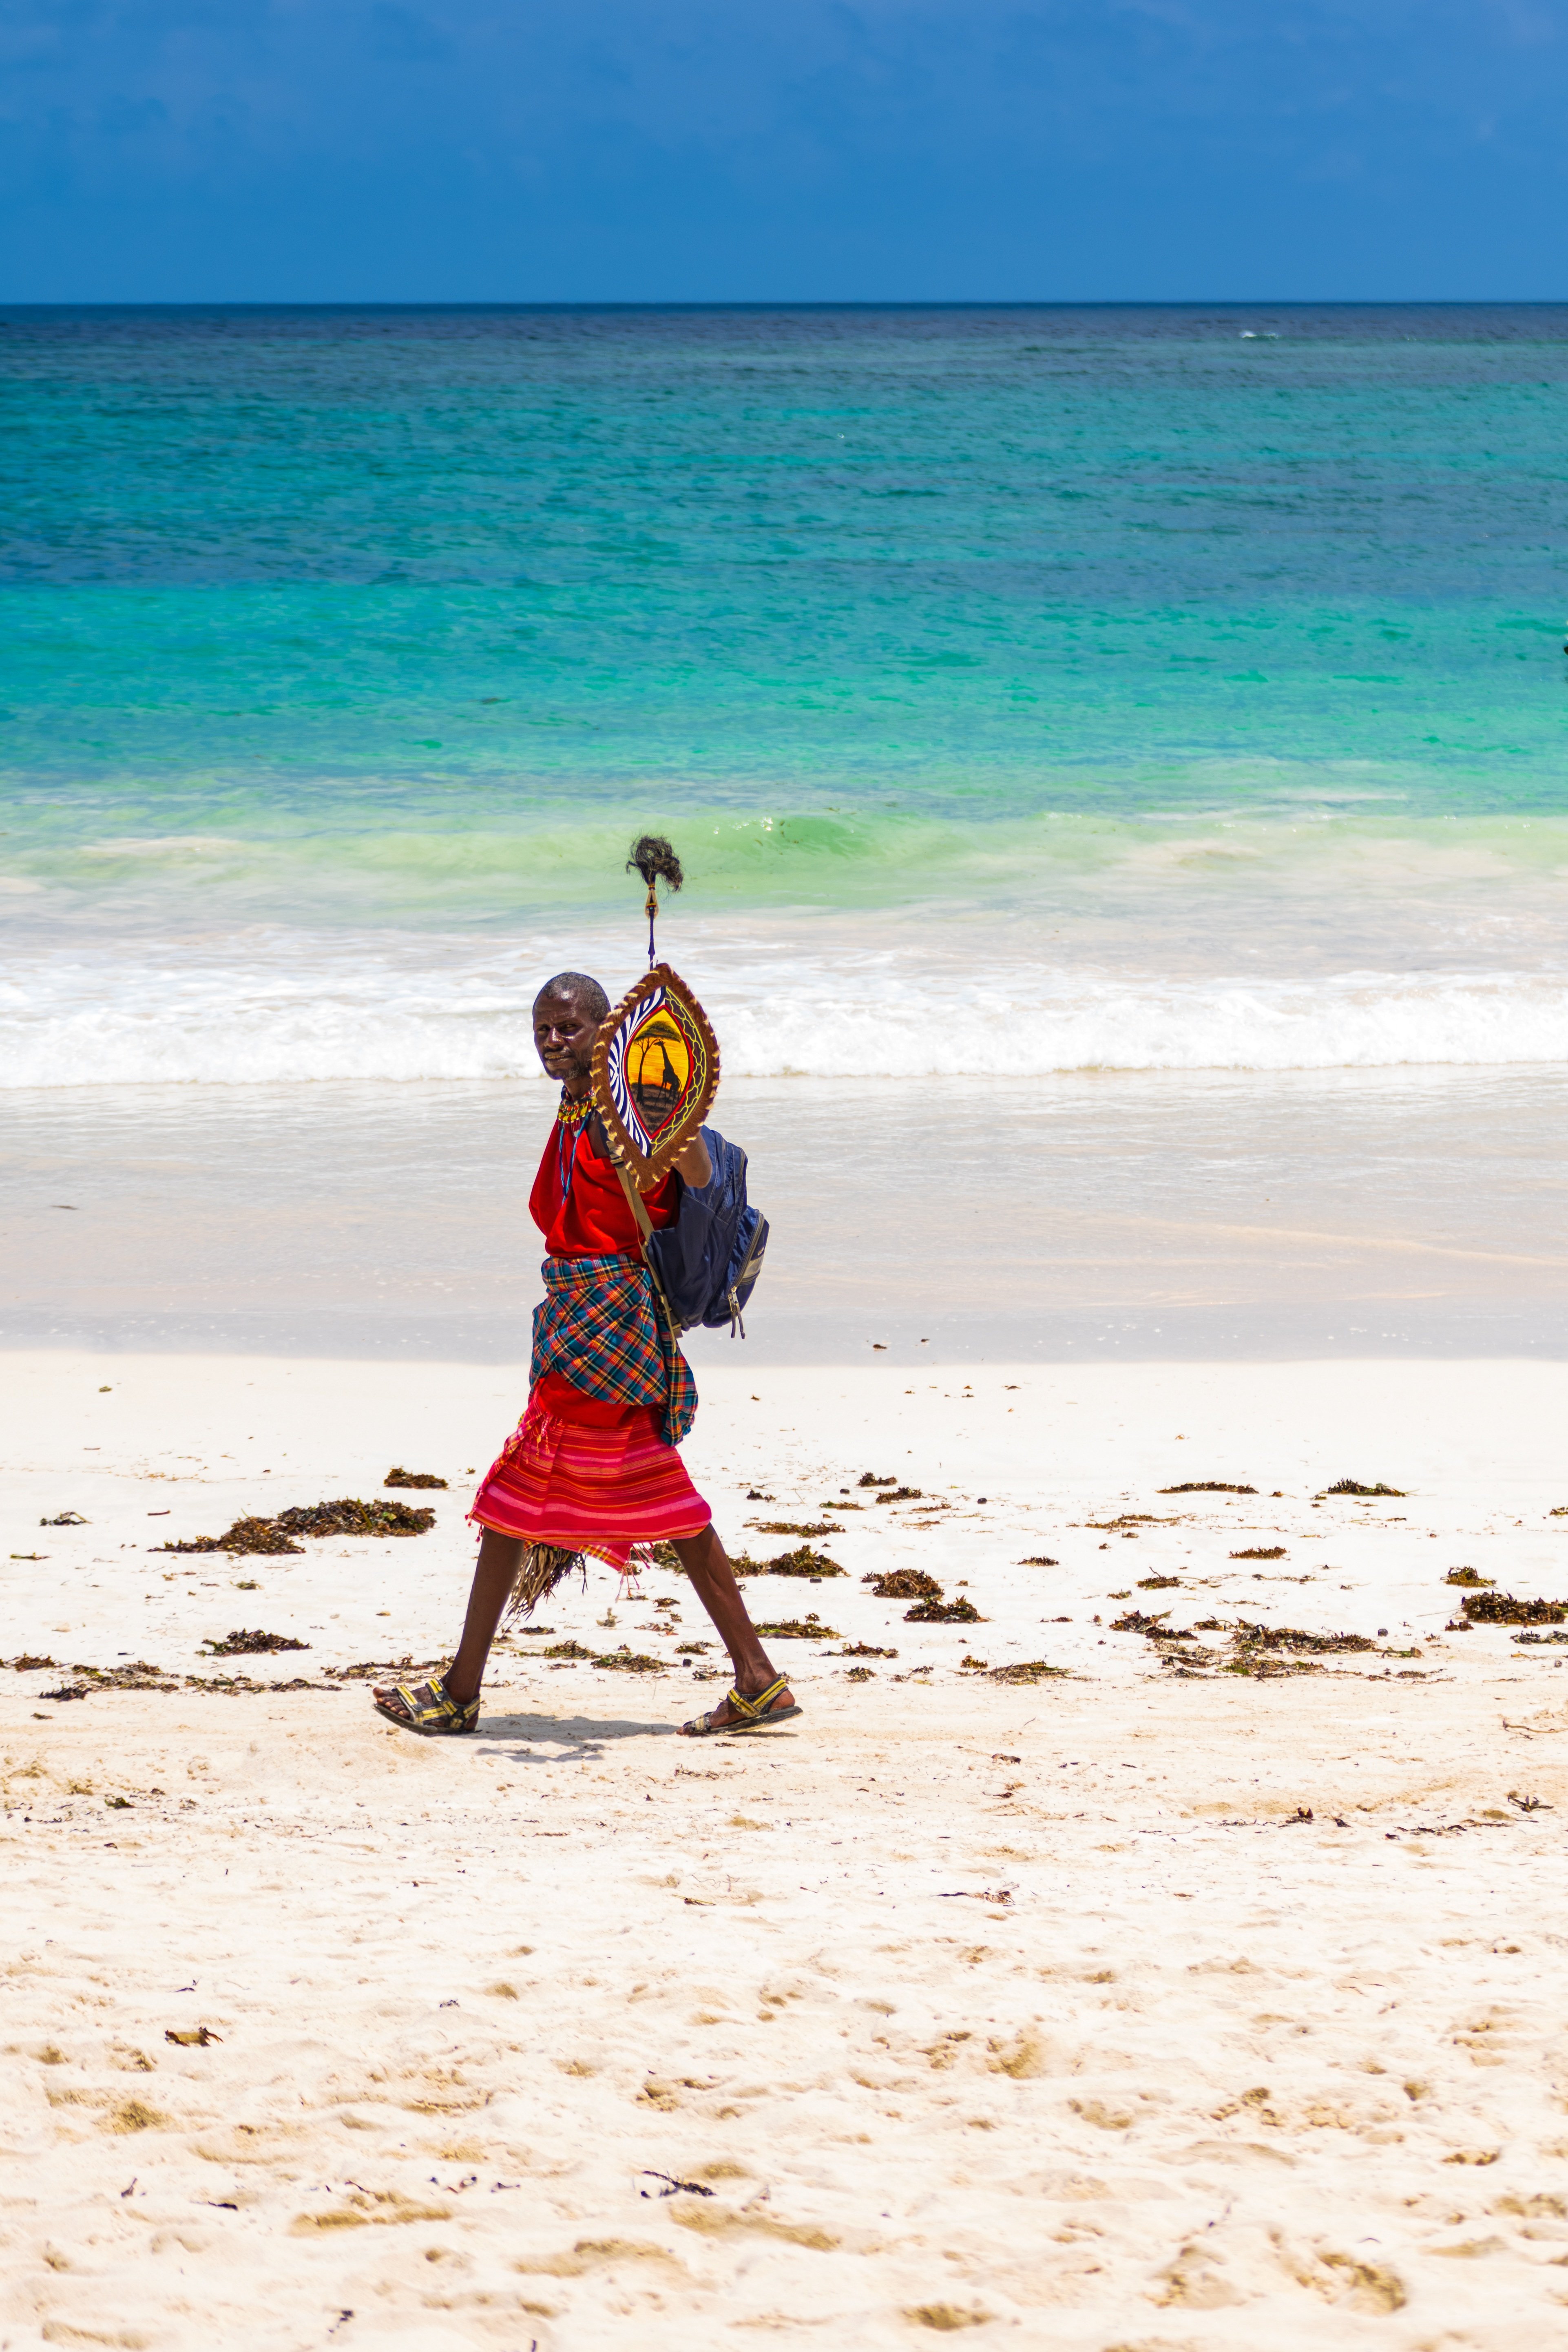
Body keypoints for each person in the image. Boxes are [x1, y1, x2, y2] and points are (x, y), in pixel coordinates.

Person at [372, 970, 797, 1740]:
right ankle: (755, 1677)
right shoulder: (577, 1110)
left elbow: (693, 1170)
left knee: (512, 1499)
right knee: (661, 1504)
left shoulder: (623, 1114)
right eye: (541, 1028)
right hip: (581, 1322)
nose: (551, 1040)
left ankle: (461, 1691)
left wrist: (673, 1124)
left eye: (567, 1027)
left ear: (606, 1033)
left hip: (610, 1328)